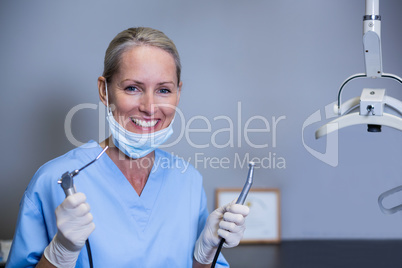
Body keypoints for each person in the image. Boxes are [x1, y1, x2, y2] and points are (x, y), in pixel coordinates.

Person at [6, 27, 249, 267]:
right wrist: (61, 252)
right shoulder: (52, 181)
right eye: (133, 88)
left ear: (178, 93)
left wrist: (204, 255)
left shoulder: (188, 181)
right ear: (104, 91)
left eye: (164, 90)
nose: (150, 106)